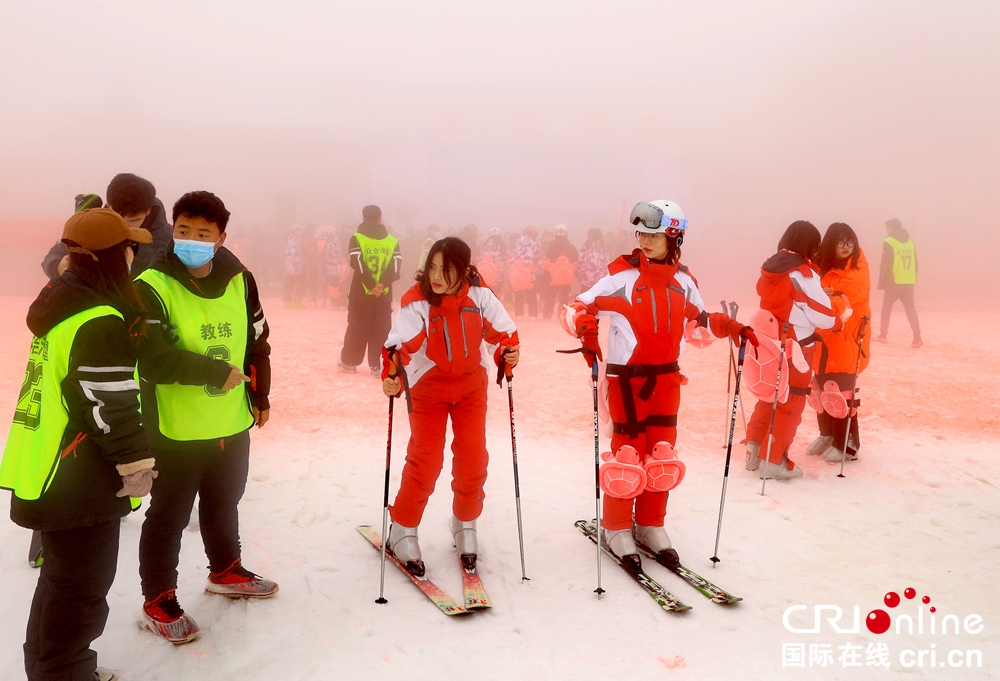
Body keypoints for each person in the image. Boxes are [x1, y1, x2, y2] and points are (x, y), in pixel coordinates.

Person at [1, 208, 157, 681]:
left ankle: (49, 669)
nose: (134, 254)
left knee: (61, 582)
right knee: (82, 589)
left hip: (50, 467)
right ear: (112, 257)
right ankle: (65, 673)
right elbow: (110, 405)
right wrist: (136, 464)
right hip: (78, 475)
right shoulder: (99, 320)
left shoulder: (62, 302)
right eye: (129, 247)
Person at [561, 201, 756, 572]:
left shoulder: (684, 282)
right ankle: (616, 526)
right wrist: (586, 328)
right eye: (641, 234)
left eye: (654, 234)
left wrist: (731, 328)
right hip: (626, 382)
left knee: (662, 453)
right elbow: (576, 307)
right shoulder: (620, 278)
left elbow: (698, 324)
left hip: (668, 379)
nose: (644, 241)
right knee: (628, 456)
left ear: (674, 237)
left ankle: (651, 523)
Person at [134, 191, 276, 644]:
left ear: (220, 239)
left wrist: (261, 393)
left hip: (230, 421)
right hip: (176, 427)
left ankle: (225, 569)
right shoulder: (151, 284)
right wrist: (211, 370)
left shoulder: (240, 279)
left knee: (224, 500)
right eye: (182, 231)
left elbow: (257, 341)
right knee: (169, 515)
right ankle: (158, 599)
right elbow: (151, 360)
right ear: (172, 230)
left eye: (201, 234)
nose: (189, 240)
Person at [381, 237, 520, 575]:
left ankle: (465, 522)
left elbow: (504, 333)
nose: (436, 276)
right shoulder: (418, 303)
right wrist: (393, 372)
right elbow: (399, 346)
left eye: (446, 269)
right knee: (426, 461)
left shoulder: (480, 296)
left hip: (472, 388)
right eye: (432, 267)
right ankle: (401, 529)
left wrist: (507, 353)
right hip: (429, 389)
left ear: (464, 270)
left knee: (473, 459)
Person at [743, 221, 848, 480]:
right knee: (791, 401)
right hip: (797, 347)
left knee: (769, 395)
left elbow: (787, 299)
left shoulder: (769, 269)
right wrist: (840, 314)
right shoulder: (801, 273)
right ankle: (774, 459)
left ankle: (754, 449)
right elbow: (822, 315)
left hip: (769, 343)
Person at [806, 223, 871, 462]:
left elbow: (844, 299)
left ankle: (848, 442)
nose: (846, 247)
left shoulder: (857, 269)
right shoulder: (822, 268)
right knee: (821, 389)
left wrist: (822, 295)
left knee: (841, 391)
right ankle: (828, 435)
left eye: (850, 242)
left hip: (847, 339)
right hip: (823, 337)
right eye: (840, 242)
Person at [41, 174, 170, 280]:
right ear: (108, 203)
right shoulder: (89, 224)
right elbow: (51, 258)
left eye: (133, 221)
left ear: (148, 210)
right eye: (116, 218)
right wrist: (58, 266)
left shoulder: (170, 240)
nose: (124, 227)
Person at [338, 205, 402, 376]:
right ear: (380, 219)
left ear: (363, 218)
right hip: (383, 295)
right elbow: (395, 268)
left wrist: (370, 285)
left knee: (357, 327)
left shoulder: (357, 238)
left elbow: (356, 263)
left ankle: (349, 362)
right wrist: (382, 284)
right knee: (381, 329)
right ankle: (379, 365)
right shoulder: (392, 241)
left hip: (360, 293)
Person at [875, 218, 921, 348]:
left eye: (887, 227)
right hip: (908, 281)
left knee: (886, 308)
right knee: (910, 309)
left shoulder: (889, 242)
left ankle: (883, 335)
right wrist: (912, 276)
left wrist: (883, 282)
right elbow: (916, 263)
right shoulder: (910, 242)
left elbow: (885, 264)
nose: (885, 230)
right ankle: (917, 337)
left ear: (891, 228)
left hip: (894, 281)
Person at [540, 224, 579, 320]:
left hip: (552, 275)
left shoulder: (551, 246)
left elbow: (546, 260)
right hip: (567, 276)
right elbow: (576, 260)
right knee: (564, 296)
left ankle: (547, 316)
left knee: (550, 295)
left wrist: (547, 275)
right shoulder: (571, 247)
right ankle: (562, 316)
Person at [511, 226, 541, 321]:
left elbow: (515, 255)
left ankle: (518, 315)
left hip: (518, 272)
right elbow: (537, 256)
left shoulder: (518, 242)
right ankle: (533, 316)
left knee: (518, 293)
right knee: (531, 294)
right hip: (529, 272)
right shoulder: (534, 243)